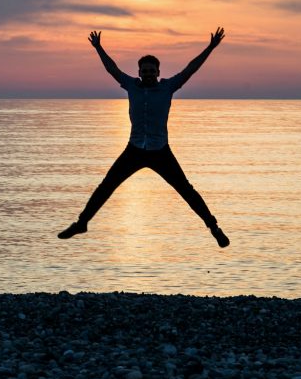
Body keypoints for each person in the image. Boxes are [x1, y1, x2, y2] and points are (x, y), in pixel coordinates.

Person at [58, 28, 230, 248]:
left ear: (158, 72)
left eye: (151, 70)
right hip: (134, 150)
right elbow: (112, 69)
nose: (148, 73)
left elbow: (191, 69)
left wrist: (211, 48)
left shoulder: (168, 86)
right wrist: (99, 48)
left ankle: (214, 227)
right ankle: (82, 223)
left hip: (160, 152)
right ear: (139, 72)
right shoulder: (132, 85)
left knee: (187, 190)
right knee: (106, 186)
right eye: (144, 70)